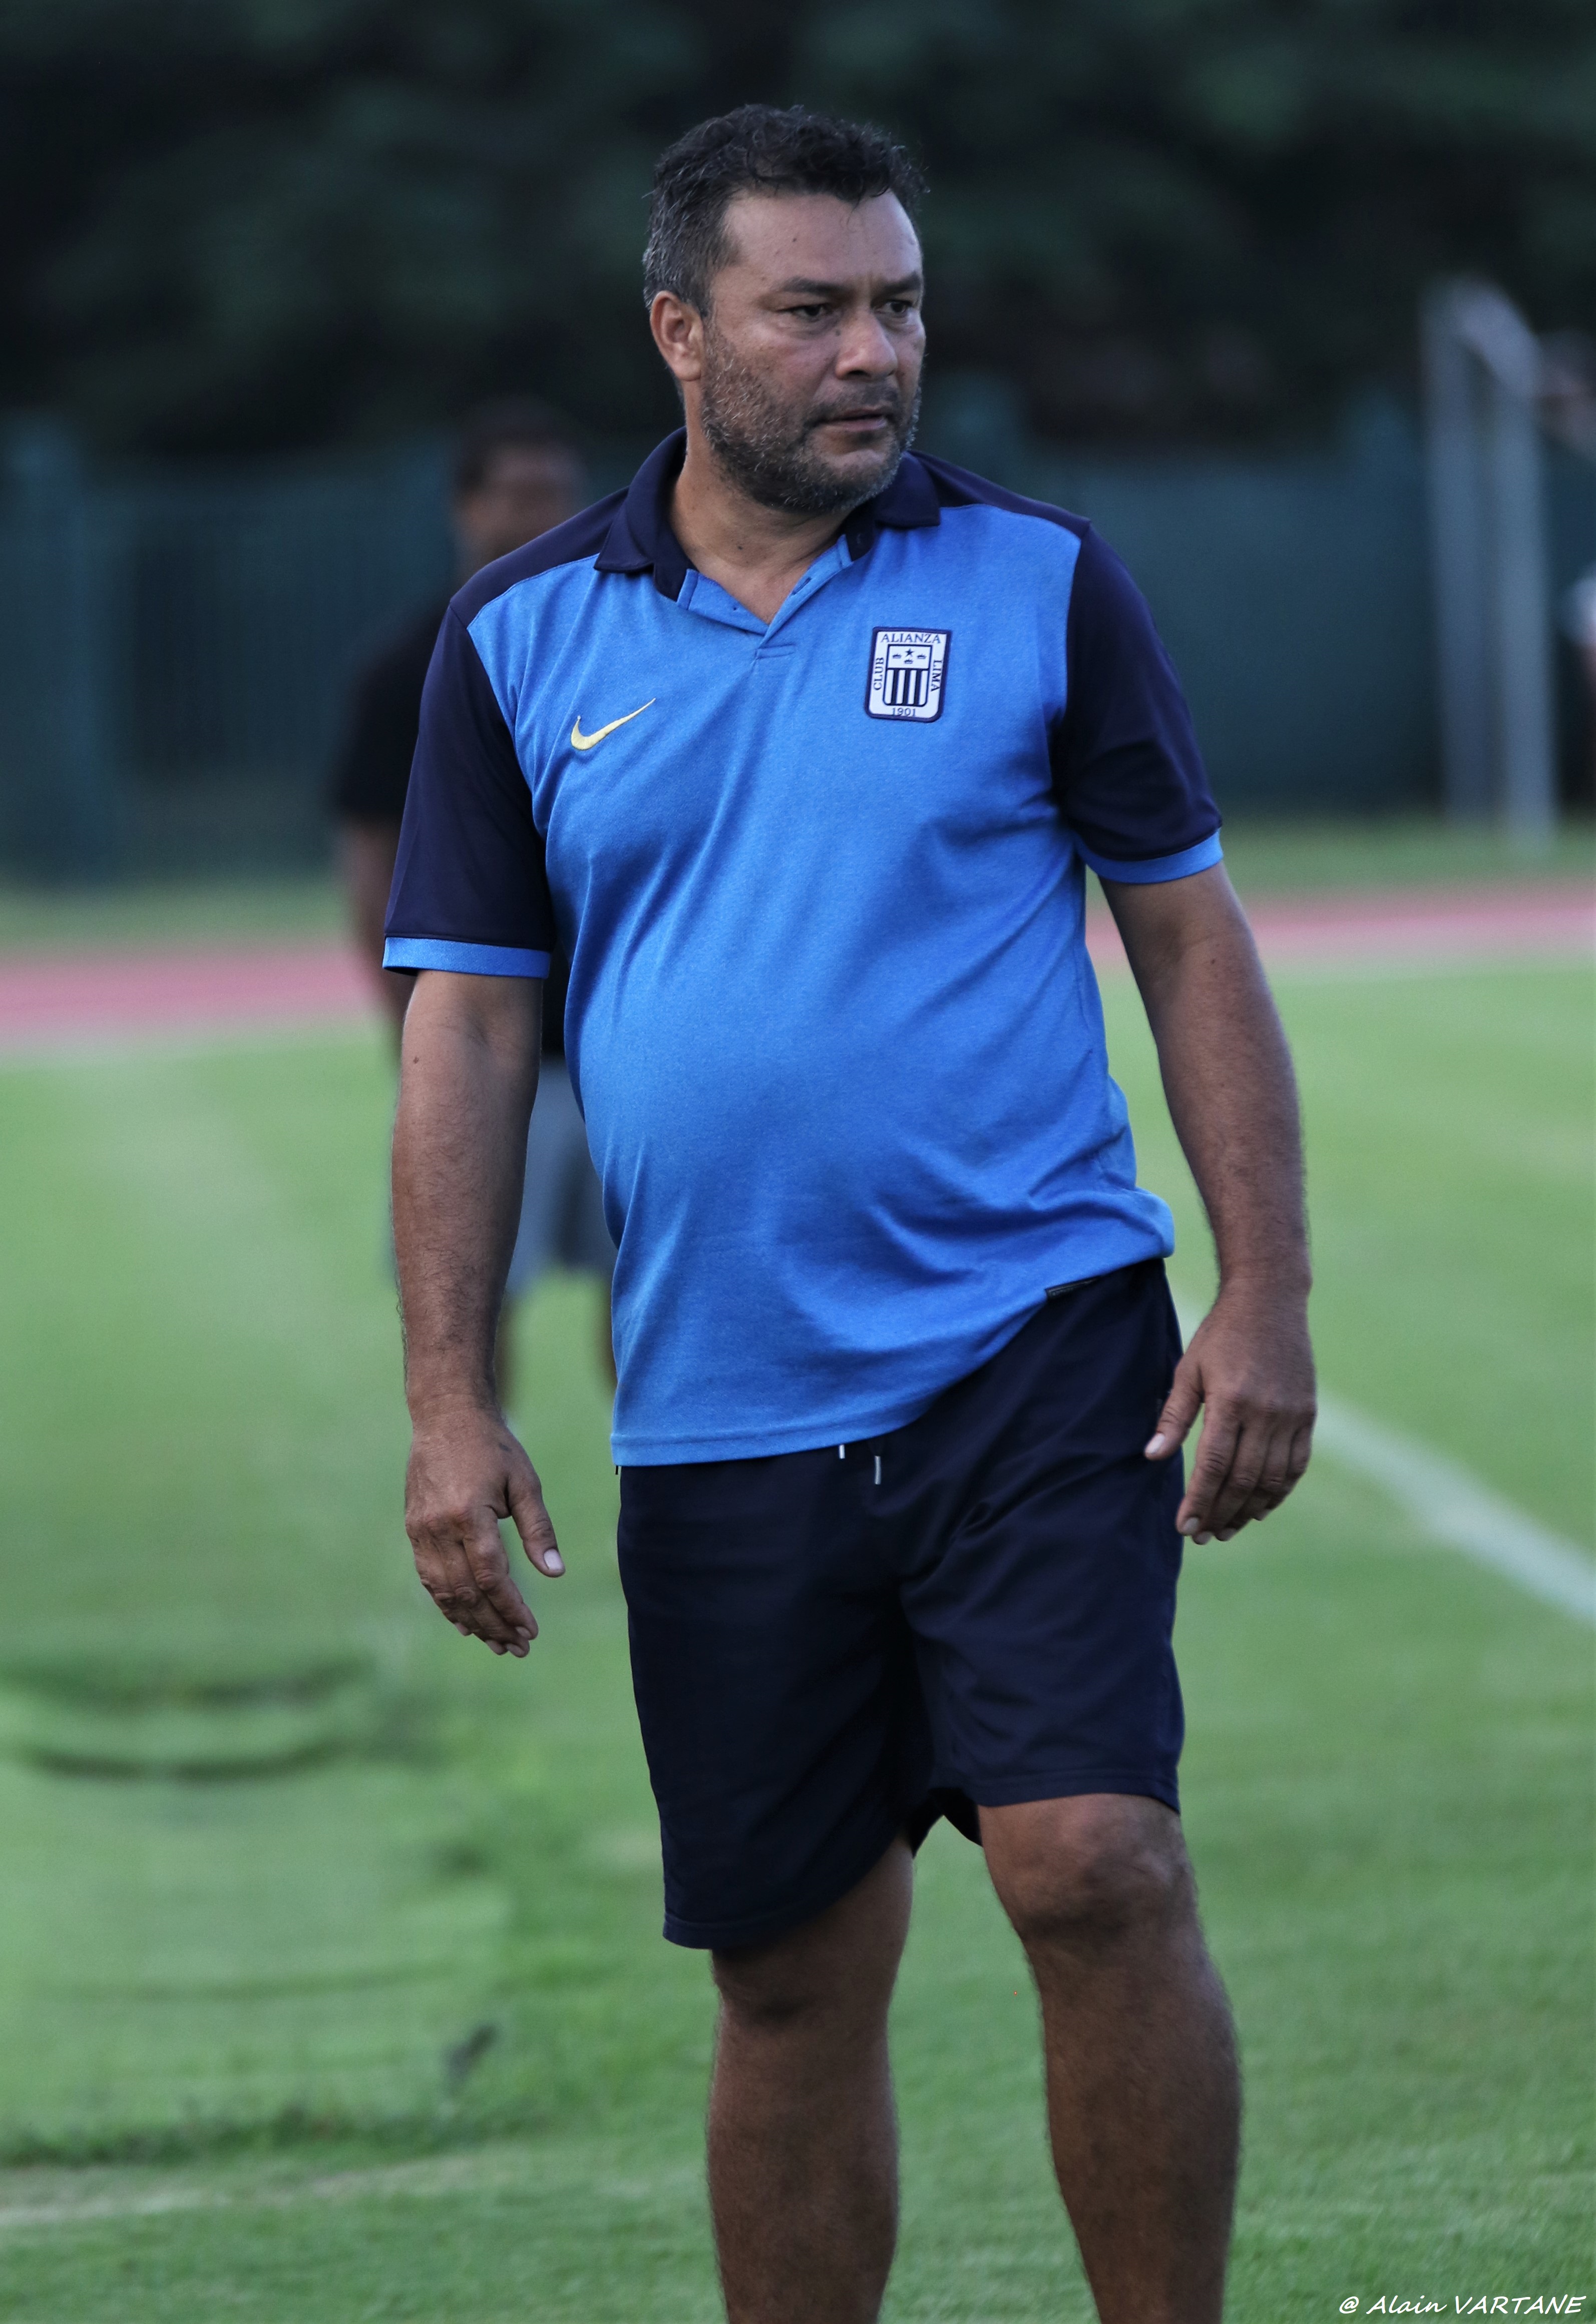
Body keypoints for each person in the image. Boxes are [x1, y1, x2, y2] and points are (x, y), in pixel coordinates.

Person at [384, 104, 1317, 2324]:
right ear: (678, 334)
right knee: (791, 1976)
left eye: (896, 303)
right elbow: (467, 1040)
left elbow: (1186, 940)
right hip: (716, 1397)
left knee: (1091, 1864)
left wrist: (1261, 1291)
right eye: (810, 309)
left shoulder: (1039, 582)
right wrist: (449, 1402)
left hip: (1031, 1341)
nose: (870, 350)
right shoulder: (513, 642)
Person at [329, 400, 614, 1397]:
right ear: (464, 508)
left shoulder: (634, 642)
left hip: (626, 1039)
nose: (541, 515)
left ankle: (674, 1519)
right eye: (517, 493)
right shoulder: (407, 671)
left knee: (661, 1305)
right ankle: (482, 1512)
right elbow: (372, 863)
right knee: (475, 1307)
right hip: (492, 1047)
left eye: (559, 493)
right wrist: (409, 1032)